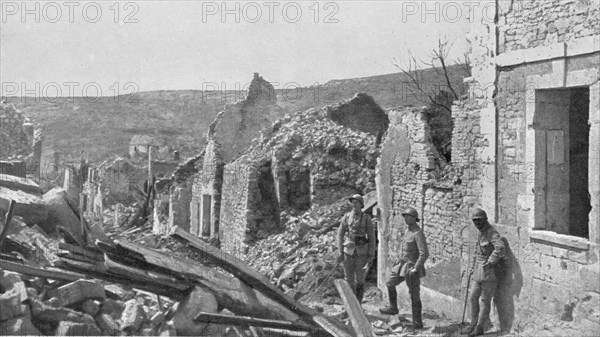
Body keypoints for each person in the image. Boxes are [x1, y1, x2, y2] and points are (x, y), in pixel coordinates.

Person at [379, 207, 429, 331]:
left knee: (414, 295)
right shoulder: (407, 230)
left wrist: (416, 268)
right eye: (405, 216)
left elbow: (424, 253)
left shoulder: (418, 233)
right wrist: (398, 258)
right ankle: (393, 307)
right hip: (401, 264)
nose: (405, 218)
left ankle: (417, 323)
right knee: (390, 283)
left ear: (414, 218)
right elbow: (403, 248)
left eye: (408, 216)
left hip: (411, 267)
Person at [466, 208, 506, 337]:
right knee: (473, 297)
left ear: (485, 220)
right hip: (478, 271)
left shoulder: (491, 232)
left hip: (489, 272)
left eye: (479, 220)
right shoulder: (480, 232)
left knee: (485, 300)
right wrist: (471, 268)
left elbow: (500, 247)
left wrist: (491, 261)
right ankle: (473, 323)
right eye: (475, 221)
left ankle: (479, 327)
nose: (477, 223)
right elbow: (476, 252)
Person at [337, 194, 376, 303]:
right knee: (348, 280)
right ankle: (350, 306)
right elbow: (340, 234)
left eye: (356, 202)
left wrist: (371, 254)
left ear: (361, 205)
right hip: (348, 252)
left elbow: (372, 238)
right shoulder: (347, 217)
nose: (354, 204)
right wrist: (340, 251)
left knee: (360, 280)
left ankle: (358, 305)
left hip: (362, 253)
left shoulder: (367, 218)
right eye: (352, 202)